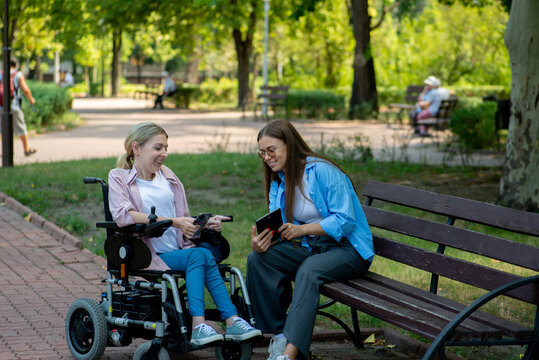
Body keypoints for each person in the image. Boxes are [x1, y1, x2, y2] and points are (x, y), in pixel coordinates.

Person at [108, 122, 261, 346]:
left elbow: (183, 217)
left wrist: (204, 223)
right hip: (148, 255)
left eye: (166, 148)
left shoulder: (168, 177)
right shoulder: (119, 177)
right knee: (200, 256)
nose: (164, 154)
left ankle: (229, 321)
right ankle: (206, 324)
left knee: (203, 255)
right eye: (158, 148)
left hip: (179, 251)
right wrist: (173, 222)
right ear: (136, 148)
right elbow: (123, 215)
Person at [247, 119, 375, 360]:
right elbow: (280, 225)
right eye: (262, 152)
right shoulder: (280, 179)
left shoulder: (323, 171)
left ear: (290, 144)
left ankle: (289, 354)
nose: (266, 157)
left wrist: (303, 231)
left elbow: (346, 221)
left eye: (271, 150)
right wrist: (263, 241)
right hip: (313, 248)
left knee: (309, 270)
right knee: (259, 259)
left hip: (349, 250)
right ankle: (279, 333)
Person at [0, 59, 37, 156]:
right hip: (13, 104)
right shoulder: (17, 74)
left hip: (0, 105)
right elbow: (25, 89)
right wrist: (31, 99)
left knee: (1, 128)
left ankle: (3, 151)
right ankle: (26, 149)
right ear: (15, 65)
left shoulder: (1, 74)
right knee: (21, 126)